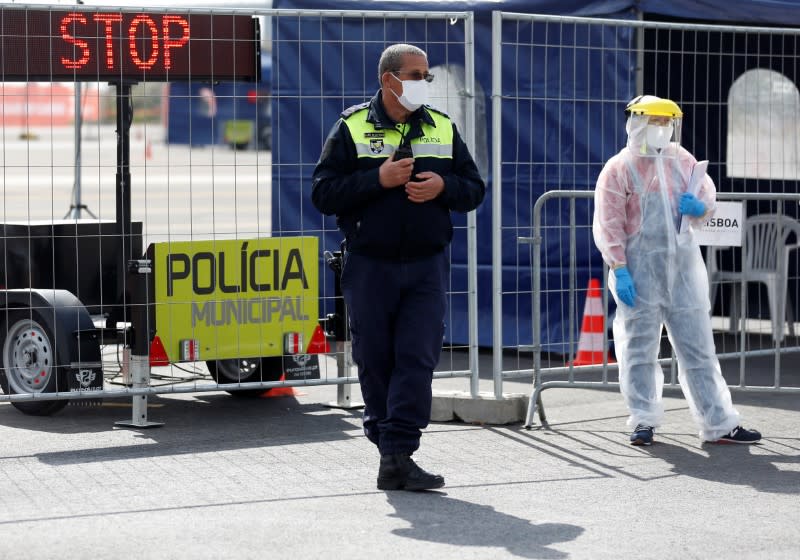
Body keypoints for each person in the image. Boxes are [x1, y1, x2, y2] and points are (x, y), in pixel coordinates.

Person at [311, 44, 485, 489]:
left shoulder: (443, 127)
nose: (424, 83)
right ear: (389, 79)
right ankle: (390, 451)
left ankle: (398, 452)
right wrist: (377, 180)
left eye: (426, 75)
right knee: (375, 360)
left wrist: (445, 185)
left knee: (418, 357)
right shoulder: (351, 127)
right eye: (415, 74)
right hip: (370, 265)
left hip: (427, 265)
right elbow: (324, 194)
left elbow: (474, 189)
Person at [593, 94, 761, 446]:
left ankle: (719, 423)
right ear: (636, 122)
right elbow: (609, 224)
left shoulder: (681, 159)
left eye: (667, 122)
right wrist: (619, 267)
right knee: (639, 348)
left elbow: (707, 195)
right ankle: (643, 419)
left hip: (684, 270)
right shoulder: (618, 168)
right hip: (638, 271)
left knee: (698, 348)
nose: (662, 129)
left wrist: (701, 206)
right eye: (655, 121)